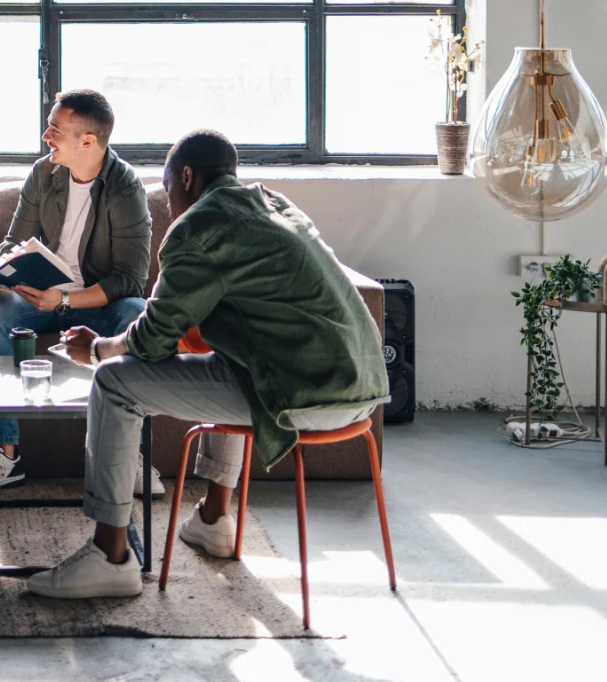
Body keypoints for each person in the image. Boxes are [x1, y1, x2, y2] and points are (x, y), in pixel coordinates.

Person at [24, 130, 391, 599]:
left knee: (114, 382)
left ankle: (110, 556)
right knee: (226, 356)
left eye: (168, 189)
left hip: (301, 394)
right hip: (362, 391)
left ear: (187, 177)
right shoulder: (276, 205)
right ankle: (215, 519)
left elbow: (152, 338)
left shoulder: (198, 226)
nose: (169, 205)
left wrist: (97, 350)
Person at [0, 90, 154, 495]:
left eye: (55, 130)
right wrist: (3, 272)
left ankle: (130, 455)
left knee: (135, 311)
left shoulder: (125, 187)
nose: (46, 136)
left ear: (87, 141)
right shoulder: (44, 174)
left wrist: (65, 300)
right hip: (40, 299)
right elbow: (13, 241)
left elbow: (130, 279)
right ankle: (4, 453)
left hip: (97, 305)